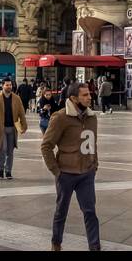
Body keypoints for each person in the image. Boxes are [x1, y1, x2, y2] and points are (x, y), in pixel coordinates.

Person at [40, 82, 101, 251]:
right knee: (61, 212)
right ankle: (56, 243)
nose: (89, 97)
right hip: (66, 173)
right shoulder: (60, 118)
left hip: (86, 173)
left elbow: (93, 143)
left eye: (89, 94)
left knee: (90, 212)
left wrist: (94, 164)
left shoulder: (91, 117)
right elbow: (46, 145)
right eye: (85, 95)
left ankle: (95, 247)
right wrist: (56, 171)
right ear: (74, 98)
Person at [0, 78, 28, 180]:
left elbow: (21, 112)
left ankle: (8, 171)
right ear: (2, 86)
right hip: (1, 128)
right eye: (7, 85)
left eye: (10, 85)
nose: (9, 87)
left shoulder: (16, 98)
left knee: (10, 151)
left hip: (12, 128)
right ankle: (1, 169)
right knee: (3, 149)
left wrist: (24, 125)